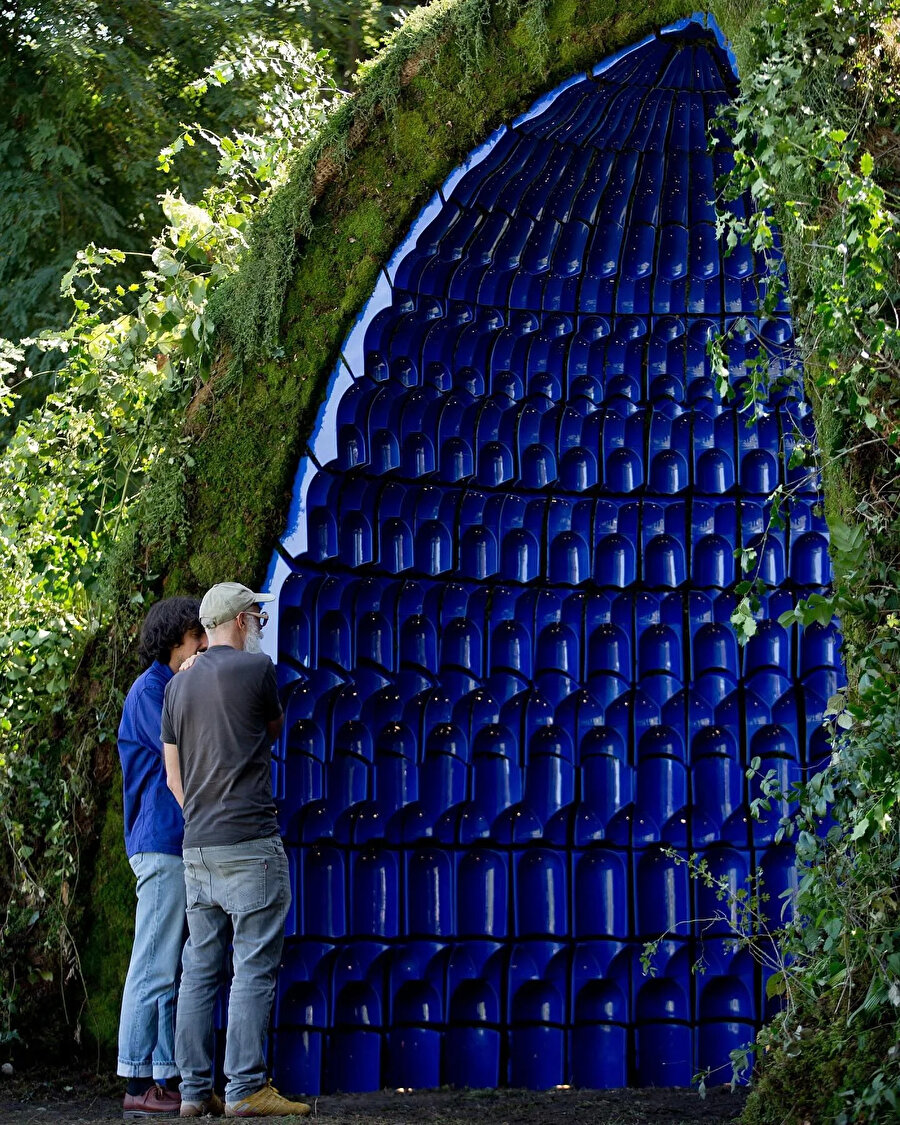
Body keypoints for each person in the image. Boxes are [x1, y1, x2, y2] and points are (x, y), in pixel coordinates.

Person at [162, 581, 310, 1119]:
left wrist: (198, 818)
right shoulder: (255, 671)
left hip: (197, 847)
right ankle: (246, 1088)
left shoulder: (175, 687)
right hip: (250, 842)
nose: (261, 630)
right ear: (242, 621)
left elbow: (172, 770)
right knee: (251, 969)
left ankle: (195, 1093)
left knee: (199, 971)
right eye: (259, 620)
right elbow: (270, 730)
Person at [117, 597, 207, 1119]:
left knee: (167, 964)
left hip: (170, 843)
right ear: (178, 640)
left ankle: (161, 1076)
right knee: (152, 963)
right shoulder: (152, 691)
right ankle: (135, 1077)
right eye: (196, 638)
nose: (201, 647)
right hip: (160, 843)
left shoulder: (163, 688)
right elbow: (185, 747)